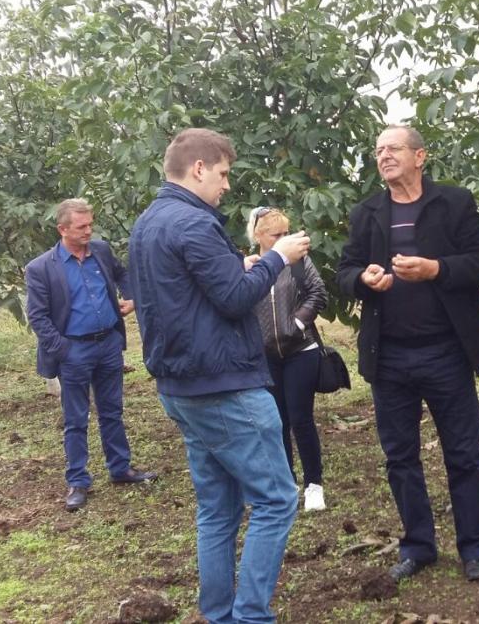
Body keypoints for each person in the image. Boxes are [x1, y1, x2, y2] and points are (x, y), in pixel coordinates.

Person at [127, 128, 312, 624]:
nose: (227, 185)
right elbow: (234, 299)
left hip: (181, 385)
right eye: (224, 173)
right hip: (224, 386)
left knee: (218, 509)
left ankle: (218, 614)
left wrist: (238, 266)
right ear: (199, 169)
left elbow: (189, 291)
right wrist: (276, 258)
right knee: (276, 500)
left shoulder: (148, 223)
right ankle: (251, 616)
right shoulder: (194, 222)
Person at [336, 125, 479, 584]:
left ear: (420, 156)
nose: (384, 156)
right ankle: (419, 547)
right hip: (389, 357)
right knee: (400, 457)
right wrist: (363, 279)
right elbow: (345, 271)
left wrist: (435, 269)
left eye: (393, 148)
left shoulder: (454, 203)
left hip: (446, 352)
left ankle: (475, 549)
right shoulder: (367, 213)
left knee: (463, 453)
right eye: (378, 150)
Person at [23, 198, 157, 513]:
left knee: (112, 410)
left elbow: (123, 275)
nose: (88, 231)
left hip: (108, 343)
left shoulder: (101, 251)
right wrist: (64, 350)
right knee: (75, 418)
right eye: (81, 226)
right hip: (74, 350)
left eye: (90, 224)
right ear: (62, 229)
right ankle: (78, 481)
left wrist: (131, 298)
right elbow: (38, 317)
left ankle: (120, 468)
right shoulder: (41, 268)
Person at [248, 206, 330, 512]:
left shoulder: (298, 261)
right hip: (267, 355)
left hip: (301, 351)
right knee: (275, 421)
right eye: (276, 234)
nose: (283, 238)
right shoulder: (251, 266)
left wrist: (297, 322)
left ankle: (314, 485)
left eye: (286, 232)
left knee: (300, 418)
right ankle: (287, 482)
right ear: (258, 236)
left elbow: (318, 292)